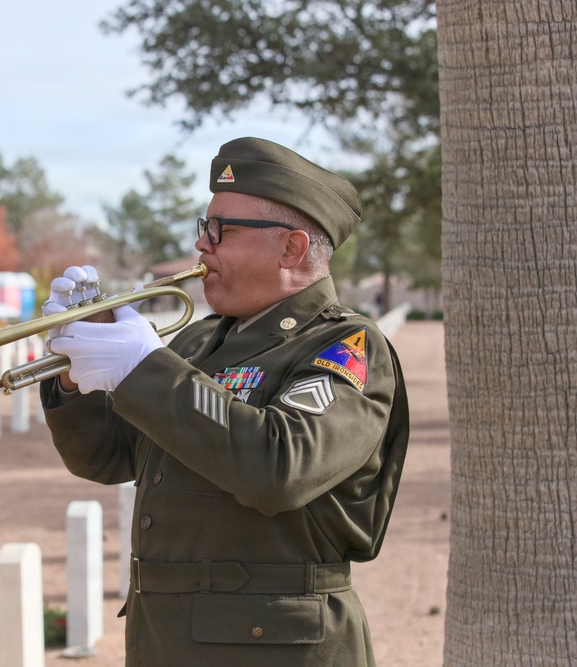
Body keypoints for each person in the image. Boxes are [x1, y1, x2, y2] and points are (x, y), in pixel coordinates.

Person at [39, 137, 409, 666]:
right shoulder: (195, 341)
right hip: (165, 642)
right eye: (204, 227)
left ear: (292, 249)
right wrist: (74, 375)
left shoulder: (344, 345)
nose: (202, 246)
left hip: (278, 648)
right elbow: (104, 457)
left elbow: (280, 465)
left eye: (223, 231)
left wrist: (145, 368)